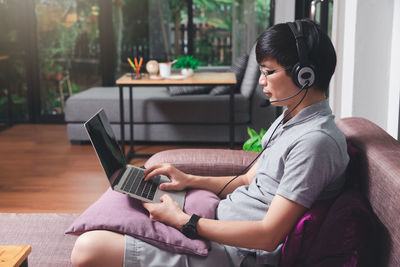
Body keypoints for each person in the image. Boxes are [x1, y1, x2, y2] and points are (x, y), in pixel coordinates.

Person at [71, 19, 349, 267]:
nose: (262, 82)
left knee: (88, 248)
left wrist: (182, 221)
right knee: (122, 207)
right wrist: (188, 179)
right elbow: (248, 180)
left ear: (305, 76)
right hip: (214, 222)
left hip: (236, 252)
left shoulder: (315, 143)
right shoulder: (291, 118)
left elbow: (268, 236)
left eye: (269, 72)